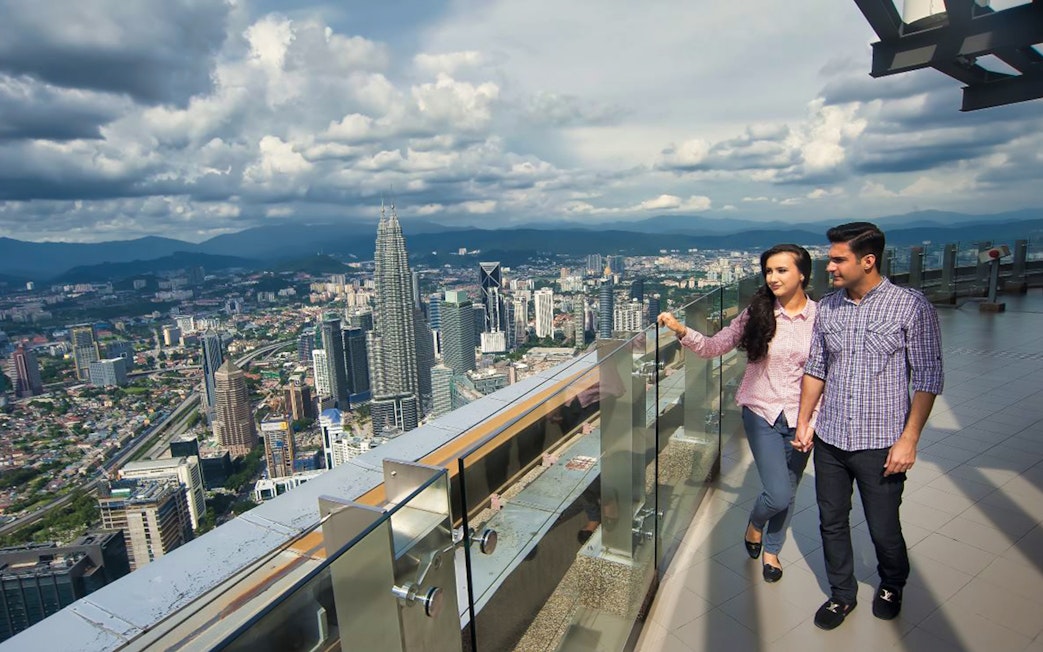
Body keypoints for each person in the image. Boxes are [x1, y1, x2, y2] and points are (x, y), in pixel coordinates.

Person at [794, 222, 942, 630]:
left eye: (839, 259)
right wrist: (806, 421)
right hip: (831, 438)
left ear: (868, 260)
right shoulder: (828, 307)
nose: (830, 267)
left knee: (883, 525)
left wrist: (909, 440)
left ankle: (893, 581)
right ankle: (842, 594)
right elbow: (817, 367)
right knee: (831, 520)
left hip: (881, 442)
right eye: (830, 258)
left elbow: (928, 376)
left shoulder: (910, 305)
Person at [659, 243, 815, 583]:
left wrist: (813, 421)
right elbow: (716, 346)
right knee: (777, 492)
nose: (773, 277)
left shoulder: (820, 317)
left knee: (789, 489)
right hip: (761, 412)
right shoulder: (757, 313)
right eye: (769, 271)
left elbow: (826, 374)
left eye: (782, 270)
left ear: (803, 274)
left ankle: (772, 550)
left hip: (802, 418)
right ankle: (755, 524)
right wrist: (681, 330)